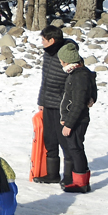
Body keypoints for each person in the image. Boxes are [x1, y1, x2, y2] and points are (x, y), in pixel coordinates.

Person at [57, 42, 96, 193]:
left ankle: (81, 184)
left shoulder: (80, 76)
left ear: (67, 61)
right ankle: (80, 181)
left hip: (78, 120)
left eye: (61, 60)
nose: (60, 63)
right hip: (74, 119)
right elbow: (90, 91)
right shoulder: (79, 73)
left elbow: (78, 103)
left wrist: (69, 124)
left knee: (76, 148)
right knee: (75, 148)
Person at [32, 25, 70, 183]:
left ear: (52, 40)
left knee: (65, 141)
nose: (41, 42)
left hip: (62, 105)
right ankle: (52, 174)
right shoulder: (47, 54)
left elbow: (71, 80)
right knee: (49, 139)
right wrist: (41, 101)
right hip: (48, 102)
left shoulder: (67, 53)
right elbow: (45, 79)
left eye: (43, 40)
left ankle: (69, 176)